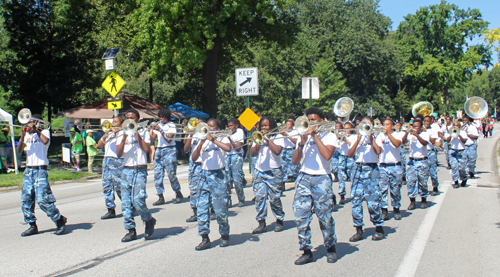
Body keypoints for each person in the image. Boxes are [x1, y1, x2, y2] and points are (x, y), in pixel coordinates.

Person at [292, 107, 338, 265]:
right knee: (301, 215)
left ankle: (330, 247)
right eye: (308, 119)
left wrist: (314, 135)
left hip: (321, 178)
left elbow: (327, 155)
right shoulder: (303, 135)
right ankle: (306, 250)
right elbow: (295, 161)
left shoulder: (330, 136)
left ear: (321, 121)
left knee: (325, 216)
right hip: (304, 177)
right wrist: (300, 144)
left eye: (313, 120)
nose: (310, 122)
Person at [17, 114, 67, 236]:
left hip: (40, 169)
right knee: (26, 199)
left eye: (32, 122)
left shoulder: (44, 132)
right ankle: (32, 225)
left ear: (38, 123)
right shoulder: (27, 134)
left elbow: (45, 141)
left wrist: (37, 131)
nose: (29, 124)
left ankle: (59, 220)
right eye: (29, 122)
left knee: (42, 199)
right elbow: (19, 150)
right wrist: (23, 135)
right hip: (29, 170)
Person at [191, 119, 232, 250]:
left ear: (218, 128)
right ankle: (204, 237)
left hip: (218, 175)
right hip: (203, 175)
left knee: (220, 209)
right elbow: (193, 158)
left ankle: (224, 234)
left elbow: (228, 148)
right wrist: (202, 141)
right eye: (207, 126)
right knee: (202, 207)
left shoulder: (223, 138)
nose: (209, 128)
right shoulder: (201, 139)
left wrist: (213, 139)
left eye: (212, 126)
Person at [116, 109, 156, 242]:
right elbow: (118, 154)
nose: (130, 120)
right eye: (127, 118)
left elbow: (145, 150)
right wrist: (124, 137)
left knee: (138, 200)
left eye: (132, 118)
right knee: (126, 203)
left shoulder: (144, 132)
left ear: (138, 120)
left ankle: (148, 219)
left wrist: (136, 133)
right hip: (126, 170)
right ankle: (130, 230)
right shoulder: (121, 133)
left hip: (140, 169)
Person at [347, 116, 385, 242]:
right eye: (363, 123)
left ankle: (378, 227)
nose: (365, 126)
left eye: (368, 124)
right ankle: (358, 229)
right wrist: (358, 139)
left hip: (371, 168)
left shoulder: (377, 136)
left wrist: (370, 137)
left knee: (373, 200)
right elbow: (350, 154)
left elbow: (378, 151)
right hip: (358, 168)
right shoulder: (355, 137)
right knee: (355, 199)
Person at [250, 116, 285, 234]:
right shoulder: (257, 136)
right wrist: (259, 141)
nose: (264, 128)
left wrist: (267, 139)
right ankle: (261, 222)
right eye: (262, 126)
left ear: (272, 126)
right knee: (260, 197)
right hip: (260, 171)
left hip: (274, 171)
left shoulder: (278, 137)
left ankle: (279, 219)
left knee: (274, 198)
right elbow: (253, 153)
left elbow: (277, 151)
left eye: (266, 125)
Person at [150, 109, 183, 205]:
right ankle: (160, 196)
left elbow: (169, 139)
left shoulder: (171, 125)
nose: (160, 118)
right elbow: (152, 140)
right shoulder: (158, 126)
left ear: (167, 117)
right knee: (157, 174)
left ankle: (178, 193)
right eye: (159, 116)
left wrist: (160, 130)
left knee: (171, 174)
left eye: (162, 116)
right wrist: (151, 131)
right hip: (159, 150)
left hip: (169, 149)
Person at [97, 115, 125, 220]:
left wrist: (116, 132)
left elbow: (120, 149)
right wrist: (107, 133)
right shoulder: (109, 134)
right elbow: (99, 145)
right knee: (106, 185)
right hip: (107, 160)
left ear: (121, 124)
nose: (112, 123)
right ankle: (110, 209)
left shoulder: (122, 133)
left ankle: (128, 205)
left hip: (118, 161)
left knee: (119, 186)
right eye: (112, 121)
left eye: (115, 122)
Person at [376, 120, 403, 221]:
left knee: (395, 190)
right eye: (384, 124)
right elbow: (377, 150)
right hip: (383, 166)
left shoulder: (397, 134)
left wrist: (388, 134)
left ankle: (396, 208)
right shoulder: (380, 136)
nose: (385, 126)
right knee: (382, 190)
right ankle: (384, 210)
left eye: (387, 124)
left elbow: (396, 144)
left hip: (395, 166)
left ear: (392, 126)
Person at [401, 119, 430, 210]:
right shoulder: (410, 134)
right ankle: (412, 201)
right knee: (411, 182)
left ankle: (423, 199)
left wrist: (417, 135)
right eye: (413, 126)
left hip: (422, 160)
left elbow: (424, 143)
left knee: (423, 182)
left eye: (416, 126)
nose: (414, 128)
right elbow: (403, 142)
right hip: (412, 161)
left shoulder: (425, 134)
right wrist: (406, 133)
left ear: (421, 127)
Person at [225, 118, 246, 207]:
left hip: (236, 156)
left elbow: (238, 148)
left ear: (236, 126)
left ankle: (241, 198)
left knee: (237, 180)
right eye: (228, 126)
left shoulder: (240, 132)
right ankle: (228, 200)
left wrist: (229, 137)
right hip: (226, 156)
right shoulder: (225, 133)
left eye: (231, 126)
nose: (229, 128)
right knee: (227, 180)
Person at [445, 121, 468, 188]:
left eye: (457, 126)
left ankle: (464, 178)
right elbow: (447, 140)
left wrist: (458, 134)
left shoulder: (463, 132)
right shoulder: (450, 132)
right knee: (454, 167)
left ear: (459, 126)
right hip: (453, 151)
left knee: (462, 168)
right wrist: (451, 134)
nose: (456, 127)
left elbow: (464, 141)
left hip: (461, 151)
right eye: (454, 125)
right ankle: (456, 181)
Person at [337, 122, 355, 205]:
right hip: (342, 157)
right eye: (345, 128)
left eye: (348, 129)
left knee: (353, 177)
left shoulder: (354, 137)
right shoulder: (340, 135)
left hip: (351, 158)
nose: (346, 130)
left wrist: (346, 140)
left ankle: (354, 195)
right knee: (341, 177)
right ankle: (342, 195)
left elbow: (353, 146)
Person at [423, 116, 440, 196]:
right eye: (425, 121)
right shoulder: (420, 130)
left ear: (430, 122)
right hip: (423, 153)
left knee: (432, 171)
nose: (426, 123)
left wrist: (426, 133)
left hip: (430, 152)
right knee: (423, 173)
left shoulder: (433, 130)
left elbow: (433, 141)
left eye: (428, 121)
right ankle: (424, 190)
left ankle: (435, 187)